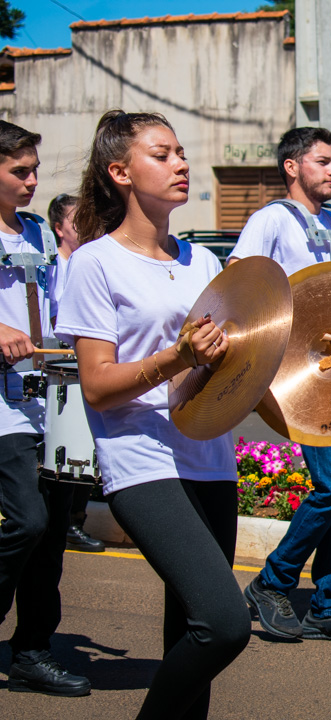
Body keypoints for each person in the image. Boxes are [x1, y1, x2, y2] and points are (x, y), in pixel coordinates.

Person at [55, 110, 249, 719]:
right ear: (120, 172)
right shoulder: (95, 263)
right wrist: (177, 356)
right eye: (162, 154)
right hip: (140, 459)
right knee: (223, 624)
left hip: (210, 459)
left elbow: (224, 368)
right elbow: (97, 387)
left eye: (181, 153)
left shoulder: (204, 263)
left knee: (189, 631)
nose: (181, 163)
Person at [229, 127, 331, 645]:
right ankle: (272, 583)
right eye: (321, 162)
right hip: (298, 371)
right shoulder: (270, 219)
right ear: (292, 167)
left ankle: (327, 605)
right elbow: (240, 280)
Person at [0, 121, 90, 697]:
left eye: (34, 169)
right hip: (2, 409)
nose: (33, 181)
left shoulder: (34, 231)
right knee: (27, 521)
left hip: (48, 402)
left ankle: (32, 649)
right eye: (20, 172)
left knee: (52, 533)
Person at [46, 192, 106, 553]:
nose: (85, 227)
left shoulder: (89, 261)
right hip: (59, 367)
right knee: (66, 446)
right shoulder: (52, 266)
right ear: (59, 228)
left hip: (82, 365)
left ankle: (75, 520)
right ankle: (66, 521)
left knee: (86, 443)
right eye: (76, 221)